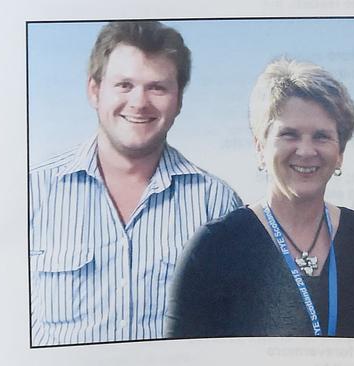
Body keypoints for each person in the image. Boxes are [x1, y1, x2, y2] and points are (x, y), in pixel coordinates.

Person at [164, 58, 354, 339]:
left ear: (340, 153)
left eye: (322, 136)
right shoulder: (213, 249)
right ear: (260, 147)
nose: (306, 151)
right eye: (289, 135)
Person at [29, 21, 242, 346]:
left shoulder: (217, 204)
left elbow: (235, 332)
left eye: (157, 87)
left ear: (179, 100)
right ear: (94, 91)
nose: (139, 102)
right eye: (124, 85)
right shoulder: (33, 193)